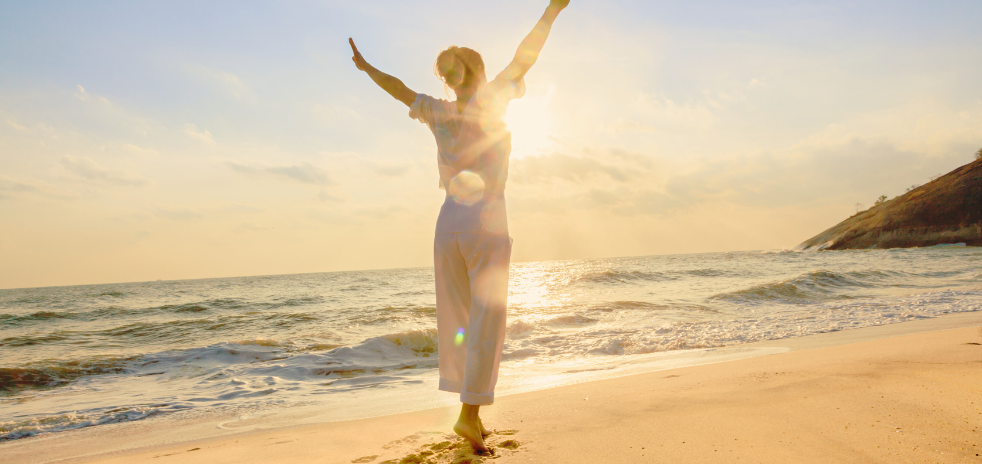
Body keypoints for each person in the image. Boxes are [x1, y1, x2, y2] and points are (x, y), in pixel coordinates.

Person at [349, 0, 569, 453]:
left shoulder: (436, 110)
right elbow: (528, 54)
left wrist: (366, 66)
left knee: (458, 321)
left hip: (447, 223)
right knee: (486, 324)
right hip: (486, 221)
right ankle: (468, 418)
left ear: (449, 78)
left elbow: (398, 89)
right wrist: (552, 10)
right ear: (479, 71)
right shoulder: (492, 99)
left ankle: (469, 414)